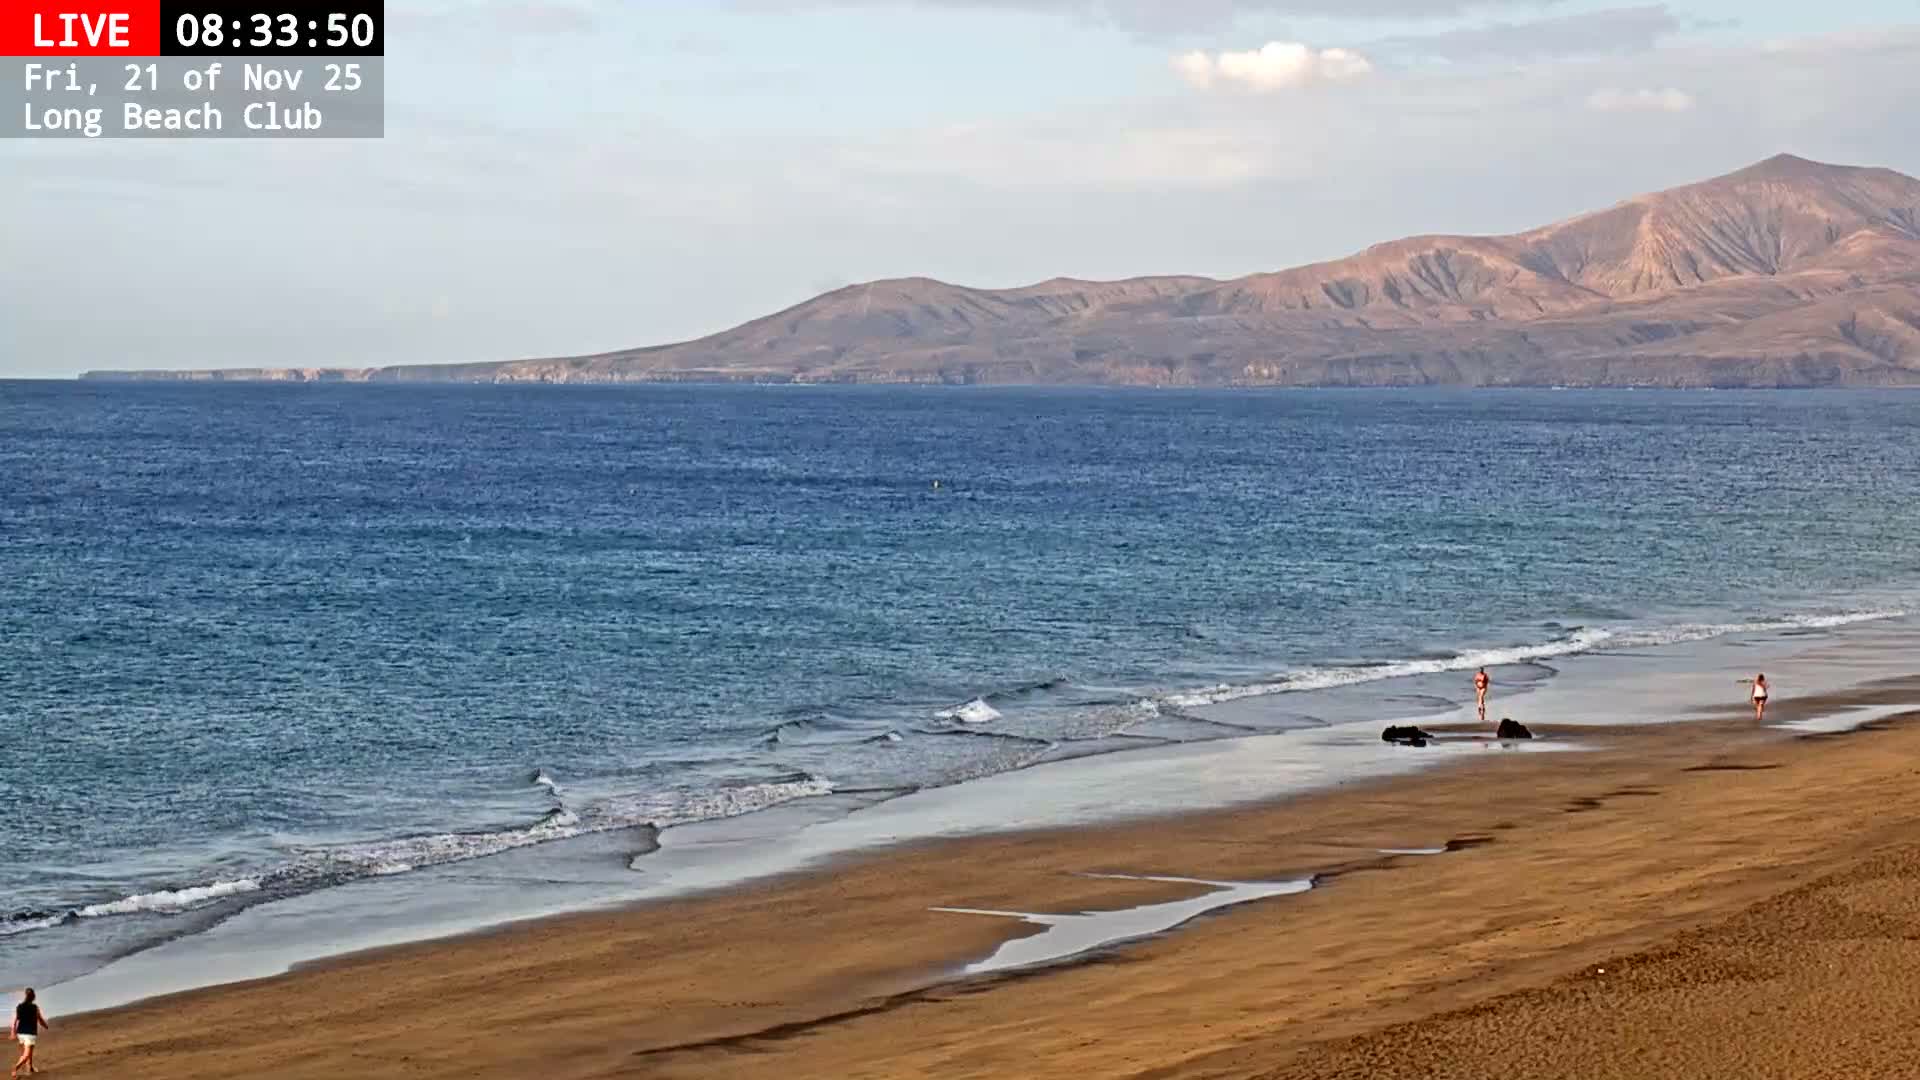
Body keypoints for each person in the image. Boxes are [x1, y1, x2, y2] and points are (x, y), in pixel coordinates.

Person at [11, 988, 46, 1079]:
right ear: (33, 996)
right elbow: (40, 1019)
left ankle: (30, 1067)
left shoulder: (19, 1006)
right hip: (29, 1033)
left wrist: (13, 1031)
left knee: (28, 1053)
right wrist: (45, 1026)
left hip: (21, 1033)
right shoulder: (35, 1007)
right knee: (26, 1054)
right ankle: (15, 1069)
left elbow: (15, 1020)